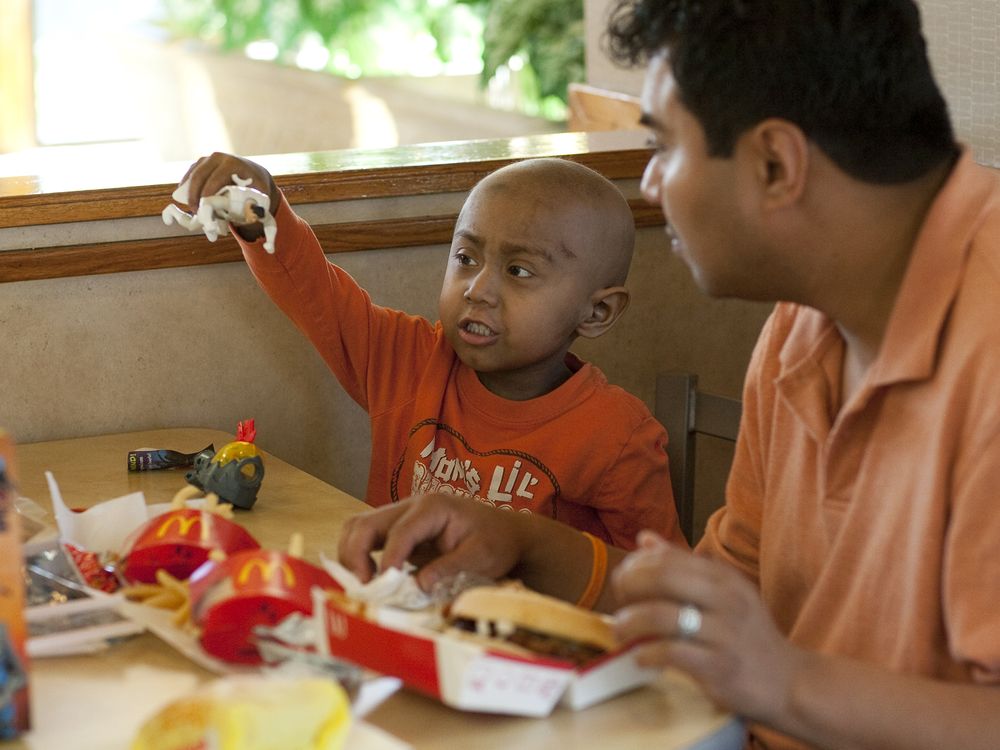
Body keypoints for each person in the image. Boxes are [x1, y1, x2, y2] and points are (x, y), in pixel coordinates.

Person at [337, 0, 1000, 748]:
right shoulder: (801, 325)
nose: (651, 183)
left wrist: (785, 682)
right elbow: (723, 596)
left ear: (775, 164)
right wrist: (518, 541)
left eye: (663, 148)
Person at [172, 154, 684, 553]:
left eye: (519, 271)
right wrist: (259, 208)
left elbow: (655, 590)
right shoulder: (409, 362)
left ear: (596, 313)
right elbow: (314, 293)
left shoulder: (617, 436)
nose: (477, 289)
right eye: (466, 258)